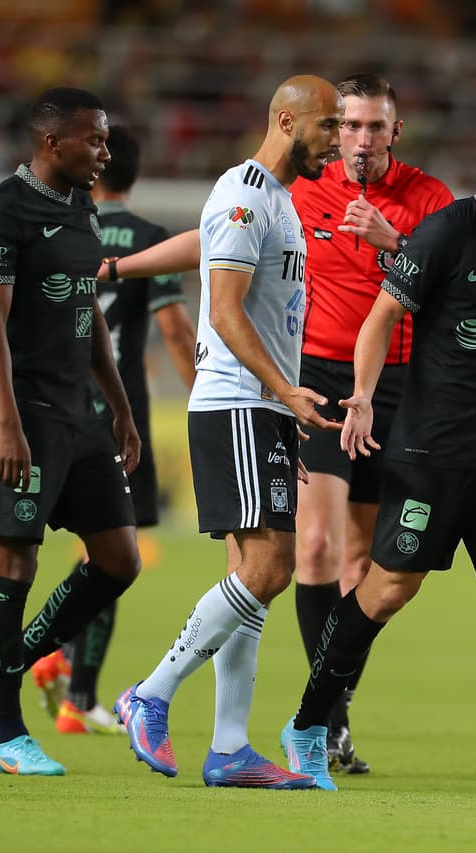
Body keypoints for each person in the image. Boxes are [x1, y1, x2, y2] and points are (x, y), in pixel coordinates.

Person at [281, 121, 476, 799]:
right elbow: (381, 317)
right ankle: (308, 724)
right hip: (432, 450)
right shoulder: (448, 232)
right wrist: (362, 397)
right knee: (390, 588)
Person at [113, 75, 344, 789]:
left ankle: (231, 746)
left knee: (253, 573)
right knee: (272, 568)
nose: (336, 142)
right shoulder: (247, 194)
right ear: (285, 118)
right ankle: (149, 692)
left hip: (261, 407)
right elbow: (226, 310)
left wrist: (282, 408)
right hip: (240, 399)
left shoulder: (273, 200)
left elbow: (212, 258)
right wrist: (283, 393)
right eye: (329, 126)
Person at [0, 87, 143, 776]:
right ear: (52, 142)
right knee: (16, 561)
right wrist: (7, 424)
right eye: (94, 139)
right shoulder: (1, 212)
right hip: (21, 411)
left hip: (79, 412)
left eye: (106, 139)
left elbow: (86, 305)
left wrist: (118, 406)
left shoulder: (79, 205)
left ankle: (2, 664)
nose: (105, 151)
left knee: (120, 559)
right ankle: (7, 735)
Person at [287, 72, 454, 773]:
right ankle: (328, 719)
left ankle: (331, 700)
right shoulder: (301, 192)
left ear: (395, 132)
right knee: (318, 547)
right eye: (348, 126)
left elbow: (455, 296)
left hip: (400, 388)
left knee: (369, 566)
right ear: (334, 131)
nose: (360, 139)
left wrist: (394, 243)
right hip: (321, 382)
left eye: (373, 127)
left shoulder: (430, 200)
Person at [27, 124, 199, 736]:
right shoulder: (150, 240)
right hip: (117, 413)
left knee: (93, 547)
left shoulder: (65, 229)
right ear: (136, 172)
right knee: (112, 551)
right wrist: (202, 395)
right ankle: (77, 688)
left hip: (58, 403)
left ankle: (60, 662)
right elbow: (177, 332)